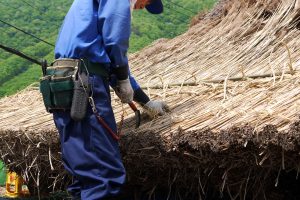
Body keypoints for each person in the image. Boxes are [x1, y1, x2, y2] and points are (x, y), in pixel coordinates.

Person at [53, 0, 168, 199]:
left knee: (84, 172)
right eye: (148, 1)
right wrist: (122, 77)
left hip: (61, 83)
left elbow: (107, 61)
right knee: (104, 175)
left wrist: (146, 102)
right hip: (85, 84)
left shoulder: (84, 9)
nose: (143, 7)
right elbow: (115, 40)